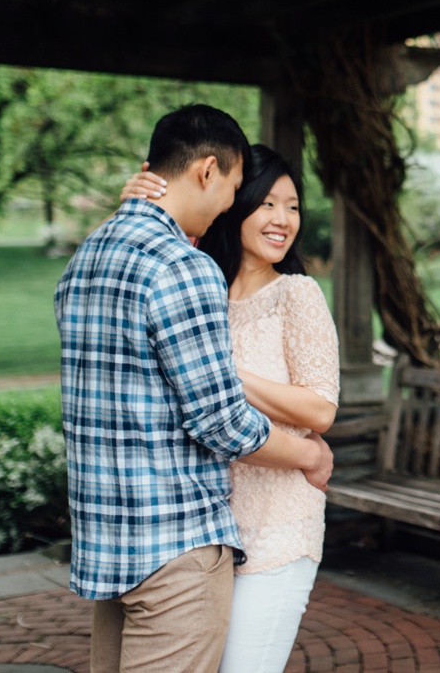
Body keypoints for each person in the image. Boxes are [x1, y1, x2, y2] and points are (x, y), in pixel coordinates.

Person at [55, 105, 333, 673]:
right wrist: (308, 452)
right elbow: (220, 421)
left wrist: (129, 209)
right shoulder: (188, 268)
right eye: (245, 193)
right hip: (178, 538)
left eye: (292, 205)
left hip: (118, 538)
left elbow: (315, 403)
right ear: (208, 172)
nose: (235, 204)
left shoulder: (86, 258)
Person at [122, 143, 338, 673]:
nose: (282, 219)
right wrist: (129, 203)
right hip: (204, 533)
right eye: (267, 203)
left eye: (292, 206)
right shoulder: (199, 285)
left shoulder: (297, 294)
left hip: (279, 524)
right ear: (233, 204)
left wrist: (220, 373)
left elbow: (320, 410)